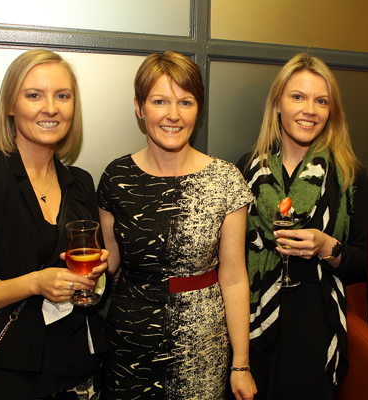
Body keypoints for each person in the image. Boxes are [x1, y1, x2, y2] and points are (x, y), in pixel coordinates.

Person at [0, 49, 109, 400]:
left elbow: (90, 272)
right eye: (34, 95)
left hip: (79, 374)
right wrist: (33, 283)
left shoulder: (81, 182)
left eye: (62, 96)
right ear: (10, 106)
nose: (51, 107)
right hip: (7, 377)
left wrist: (97, 274)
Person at [97, 51, 257, 400]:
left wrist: (241, 364)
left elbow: (233, 277)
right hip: (127, 345)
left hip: (200, 349)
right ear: (139, 107)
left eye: (185, 102)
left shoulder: (225, 179)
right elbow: (108, 265)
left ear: (198, 109)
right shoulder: (116, 177)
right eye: (160, 101)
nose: (173, 115)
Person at [237, 53, 368, 399]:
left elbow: (362, 263)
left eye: (321, 101)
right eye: (298, 96)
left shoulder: (349, 176)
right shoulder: (247, 170)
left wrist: (327, 247)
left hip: (314, 323)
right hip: (251, 322)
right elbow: (232, 259)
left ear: (331, 112)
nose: (309, 109)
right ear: (278, 104)